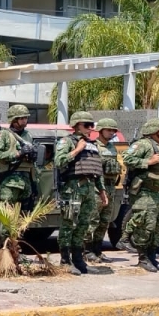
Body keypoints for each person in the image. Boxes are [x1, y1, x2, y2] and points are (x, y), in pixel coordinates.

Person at [53, 113, 109, 276]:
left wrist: (102, 191)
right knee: (69, 224)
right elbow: (59, 161)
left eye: (92, 125)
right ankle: (65, 260)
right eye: (87, 125)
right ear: (77, 125)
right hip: (73, 188)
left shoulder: (93, 145)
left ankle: (78, 259)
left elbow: (97, 170)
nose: (91, 128)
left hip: (90, 188)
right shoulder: (67, 141)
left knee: (84, 225)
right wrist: (77, 150)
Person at [122, 118, 159, 272]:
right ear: (154, 131)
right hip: (147, 192)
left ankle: (152, 257)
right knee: (146, 226)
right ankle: (143, 258)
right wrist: (148, 161)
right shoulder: (143, 144)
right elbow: (127, 158)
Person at [85, 118, 124, 263]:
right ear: (100, 130)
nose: (111, 133)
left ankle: (97, 249)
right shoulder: (94, 146)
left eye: (113, 130)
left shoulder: (112, 148)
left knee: (104, 221)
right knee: (92, 220)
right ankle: (87, 250)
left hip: (110, 187)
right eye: (109, 130)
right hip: (96, 187)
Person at [0, 105, 37, 208]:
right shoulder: (4, 134)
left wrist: (33, 155)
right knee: (8, 215)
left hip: (27, 179)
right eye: (22, 118)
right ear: (14, 119)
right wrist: (19, 153)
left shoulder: (28, 135)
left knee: (24, 217)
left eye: (26, 118)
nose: (25, 120)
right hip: (10, 179)